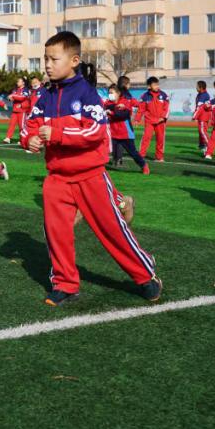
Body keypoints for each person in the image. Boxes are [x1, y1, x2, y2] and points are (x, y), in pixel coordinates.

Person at [22, 31, 161, 306]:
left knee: (111, 229)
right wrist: (31, 139)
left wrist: (58, 134)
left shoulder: (87, 93)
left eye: (53, 59)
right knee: (56, 233)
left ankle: (145, 274)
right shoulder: (46, 95)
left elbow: (96, 132)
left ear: (74, 60)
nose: (47, 65)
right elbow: (31, 125)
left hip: (90, 176)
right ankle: (65, 284)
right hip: (57, 178)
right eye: (45, 59)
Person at [105, 84, 149, 174]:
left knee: (133, 153)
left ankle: (143, 165)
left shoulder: (125, 102)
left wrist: (112, 112)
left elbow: (122, 115)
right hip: (113, 133)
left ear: (118, 93)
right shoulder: (107, 103)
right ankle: (98, 168)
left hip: (125, 134)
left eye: (111, 93)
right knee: (104, 150)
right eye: (108, 93)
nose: (110, 95)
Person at [138, 76, 169, 161]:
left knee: (160, 139)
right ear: (149, 86)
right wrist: (137, 119)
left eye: (157, 84)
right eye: (154, 85)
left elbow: (167, 108)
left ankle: (159, 157)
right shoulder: (144, 96)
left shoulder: (163, 95)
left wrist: (163, 117)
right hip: (149, 121)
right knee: (146, 138)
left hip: (160, 122)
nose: (157, 86)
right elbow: (141, 109)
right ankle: (141, 155)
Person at [3, 77, 31, 144]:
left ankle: (22, 139)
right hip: (15, 110)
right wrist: (10, 98)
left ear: (23, 82)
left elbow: (22, 98)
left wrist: (12, 95)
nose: (17, 82)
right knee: (11, 124)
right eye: (17, 81)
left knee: (22, 126)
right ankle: (8, 138)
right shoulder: (15, 90)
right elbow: (11, 98)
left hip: (22, 110)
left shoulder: (26, 90)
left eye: (19, 81)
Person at [193, 80, 212, 152]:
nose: (196, 88)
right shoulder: (200, 94)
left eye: (197, 86)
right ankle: (202, 145)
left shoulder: (204, 95)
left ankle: (209, 146)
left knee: (203, 131)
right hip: (202, 116)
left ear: (201, 87)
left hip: (203, 116)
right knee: (201, 131)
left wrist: (195, 115)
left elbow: (199, 106)